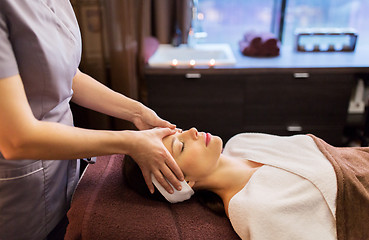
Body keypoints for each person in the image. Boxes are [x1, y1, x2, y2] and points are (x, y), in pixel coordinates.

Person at [0, 1, 184, 239]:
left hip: (64, 175)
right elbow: (17, 140)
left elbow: (65, 74)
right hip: (18, 193)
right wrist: (131, 141)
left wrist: (137, 112)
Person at [123, 127, 369, 240]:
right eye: (181, 146)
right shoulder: (254, 208)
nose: (193, 131)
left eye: (179, 131)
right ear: (183, 183)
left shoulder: (242, 142)